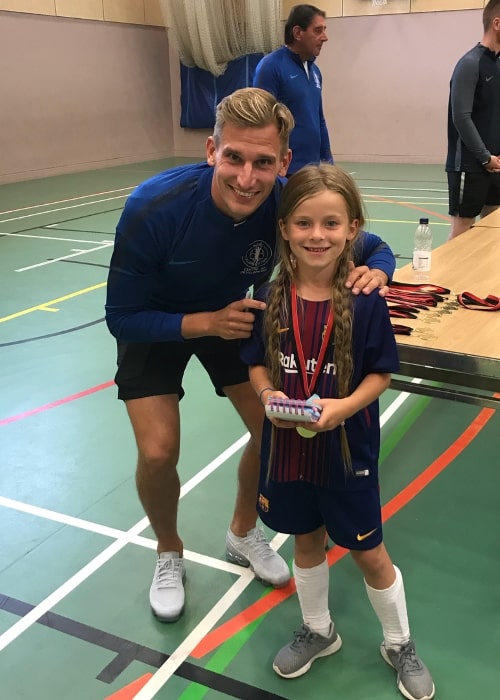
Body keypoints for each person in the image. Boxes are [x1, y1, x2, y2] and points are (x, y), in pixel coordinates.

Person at [105, 87, 396, 624]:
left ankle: (242, 532)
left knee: (274, 428)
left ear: (283, 163)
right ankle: (168, 550)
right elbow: (121, 317)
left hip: (234, 319)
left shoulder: (287, 201)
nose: (246, 178)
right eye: (234, 157)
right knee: (158, 452)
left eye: (263, 163)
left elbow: (370, 244)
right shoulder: (154, 208)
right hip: (158, 324)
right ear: (212, 149)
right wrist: (203, 324)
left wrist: (379, 270)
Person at [241, 164, 435, 700]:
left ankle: (399, 642)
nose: (317, 235)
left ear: (353, 229)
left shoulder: (366, 298)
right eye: (303, 223)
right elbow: (256, 363)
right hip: (288, 450)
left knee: (369, 550)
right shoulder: (272, 294)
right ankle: (319, 630)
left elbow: (382, 372)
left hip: (347, 451)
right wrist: (267, 396)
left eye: (331, 223)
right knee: (306, 539)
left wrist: (345, 406)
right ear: (284, 229)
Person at [253, 4, 332, 176]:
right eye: (318, 30)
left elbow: (319, 120)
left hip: (312, 171)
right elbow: (261, 123)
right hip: (284, 172)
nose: (324, 37)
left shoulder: (315, 72)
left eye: (324, 30)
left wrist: (328, 163)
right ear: (298, 33)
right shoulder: (270, 67)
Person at [446, 0, 500, 239]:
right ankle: (444, 279)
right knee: (461, 237)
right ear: (497, 23)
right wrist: (484, 157)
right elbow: (461, 117)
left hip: (496, 166)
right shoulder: (470, 64)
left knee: (489, 236)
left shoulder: (497, 66)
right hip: (469, 166)